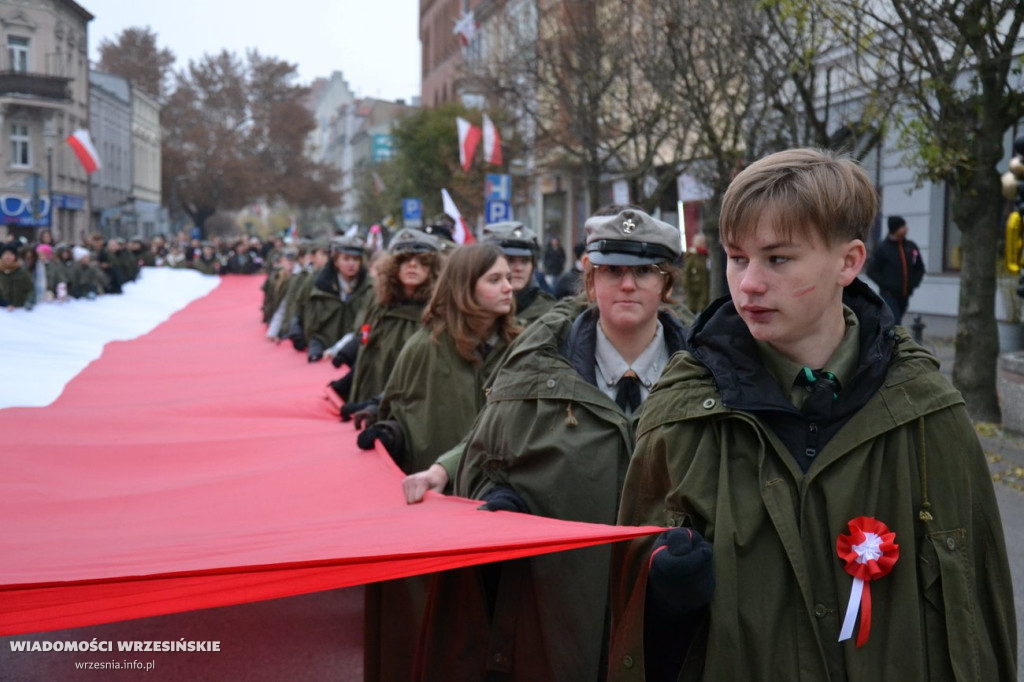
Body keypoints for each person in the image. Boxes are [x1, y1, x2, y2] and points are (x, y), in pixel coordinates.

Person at [609, 148, 1016, 681]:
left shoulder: (927, 414)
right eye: (737, 257)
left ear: (848, 262)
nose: (749, 283)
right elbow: (628, 628)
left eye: (777, 259)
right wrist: (665, 593)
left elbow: (979, 622)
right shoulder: (680, 416)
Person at [414, 208, 692, 681]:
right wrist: (499, 499)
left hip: (670, 631)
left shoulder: (708, 381)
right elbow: (487, 459)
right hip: (557, 622)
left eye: (645, 271)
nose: (628, 285)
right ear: (590, 281)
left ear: (666, 286)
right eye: (612, 271)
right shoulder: (533, 373)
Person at [356, 243, 520, 682]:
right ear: (466, 288)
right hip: (436, 513)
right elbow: (396, 410)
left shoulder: (521, 348)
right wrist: (389, 433)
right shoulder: (423, 349)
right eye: (495, 279)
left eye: (508, 277)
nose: (510, 285)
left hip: (505, 511)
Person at [333, 228, 442, 410]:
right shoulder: (380, 306)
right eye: (404, 260)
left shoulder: (437, 313)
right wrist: (349, 385)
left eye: (422, 260)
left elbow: (425, 377)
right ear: (393, 267)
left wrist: (375, 406)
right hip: (367, 407)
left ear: (433, 268)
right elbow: (370, 356)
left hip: (407, 414)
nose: (412, 265)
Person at [302, 235, 374, 362]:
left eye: (356, 259)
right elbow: (312, 324)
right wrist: (316, 345)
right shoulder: (321, 287)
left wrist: (339, 349)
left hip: (356, 353)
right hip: (324, 352)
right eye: (346, 259)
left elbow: (363, 326)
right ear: (335, 262)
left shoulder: (370, 288)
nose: (351, 264)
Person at [482, 221, 557, 325]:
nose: (519, 268)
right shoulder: (471, 309)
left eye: (525, 261)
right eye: (510, 260)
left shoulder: (550, 314)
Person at [866, 215, 925, 325]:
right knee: (895, 323)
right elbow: (871, 271)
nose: (906, 228)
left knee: (896, 323)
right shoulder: (883, 249)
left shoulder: (911, 247)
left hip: (905, 295)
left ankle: (889, 340)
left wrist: (914, 283)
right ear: (895, 229)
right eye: (903, 226)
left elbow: (919, 267)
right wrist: (886, 284)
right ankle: (892, 341)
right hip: (889, 295)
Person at [682, 232, 710, 312]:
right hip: (693, 291)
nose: (703, 244)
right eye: (701, 242)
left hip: (705, 290)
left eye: (704, 242)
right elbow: (686, 273)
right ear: (695, 243)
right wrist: (686, 288)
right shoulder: (691, 256)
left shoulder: (706, 256)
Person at [0, 242, 33, 309]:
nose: (8, 257)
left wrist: (29, 301)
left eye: (11, 254)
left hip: (20, 311)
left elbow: (31, 290)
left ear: (15, 256)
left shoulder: (22, 271)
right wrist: (4, 303)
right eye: (6, 254)